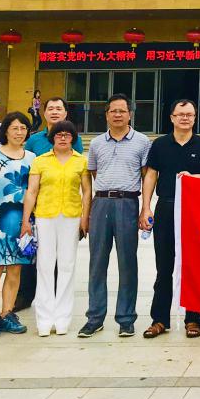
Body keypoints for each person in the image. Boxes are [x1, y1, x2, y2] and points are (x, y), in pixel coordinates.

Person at [140, 99, 200, 339]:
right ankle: (159, 320)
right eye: (180, 114)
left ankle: (192, 319)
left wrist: (193, 178)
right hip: (166, 207)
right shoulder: (160, 144)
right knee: (164, 267)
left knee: (192, 266)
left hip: (194, 212)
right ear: (172, 118)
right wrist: (146, 207)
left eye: (189, 115)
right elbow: (151, 175)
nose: (185, 118)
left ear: (195, 118)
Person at [78, 94, 152, 339]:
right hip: (101, 203)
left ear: (130, 114)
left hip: (128, 203)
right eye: (113, 111)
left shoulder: (142, 142)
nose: (118, 115)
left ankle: (126, 319)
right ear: (107, 115)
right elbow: (93, 175)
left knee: (127, 263)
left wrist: (144, 208)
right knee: (97, 262)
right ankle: (95, 318)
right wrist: (88, 213)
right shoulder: (97, 143)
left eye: (122, 111)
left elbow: (146, 176)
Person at [21, 120, 91, 337]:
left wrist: (85, 218)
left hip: (71, 217)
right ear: (52, 138)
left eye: (67, 134)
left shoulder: (81, 161)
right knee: (45, 265)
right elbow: (32, 191)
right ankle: (44, 319)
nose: (63, 137)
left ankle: (62, 318)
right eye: (59, 134)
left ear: (73, 138)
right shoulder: (40, 161)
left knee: (67, 266)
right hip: (45, 216)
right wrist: (26, 220)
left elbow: (87, 192)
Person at [14, 96, 78, 313]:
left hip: (60, 206)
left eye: (59, 108)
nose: (54, 112)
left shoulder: (72, 138)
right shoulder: (34, 140)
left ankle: (56, 297)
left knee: (58, 255)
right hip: (36, 205)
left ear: (65, 113)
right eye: (50, 108)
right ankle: (25, 295)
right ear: (44, 112)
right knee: (30, 251)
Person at [0, 111, 37, 339]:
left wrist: (29, 221)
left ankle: (7, 313)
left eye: (23, 128)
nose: (19, 132)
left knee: (15, 269)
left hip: (23, 224)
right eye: (14, 128)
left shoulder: (32, 157)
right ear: (5, 131)